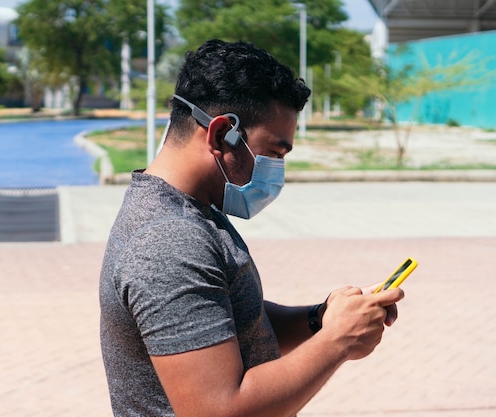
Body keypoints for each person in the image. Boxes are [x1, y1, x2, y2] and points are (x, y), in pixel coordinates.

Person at [99, 39, 404, 417]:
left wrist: (318, 318)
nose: (277, 170)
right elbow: (219, 410)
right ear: (220, 134)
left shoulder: (194, 207)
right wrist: (337, 340)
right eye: (275, 154)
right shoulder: (169, 239)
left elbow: (224, 318)